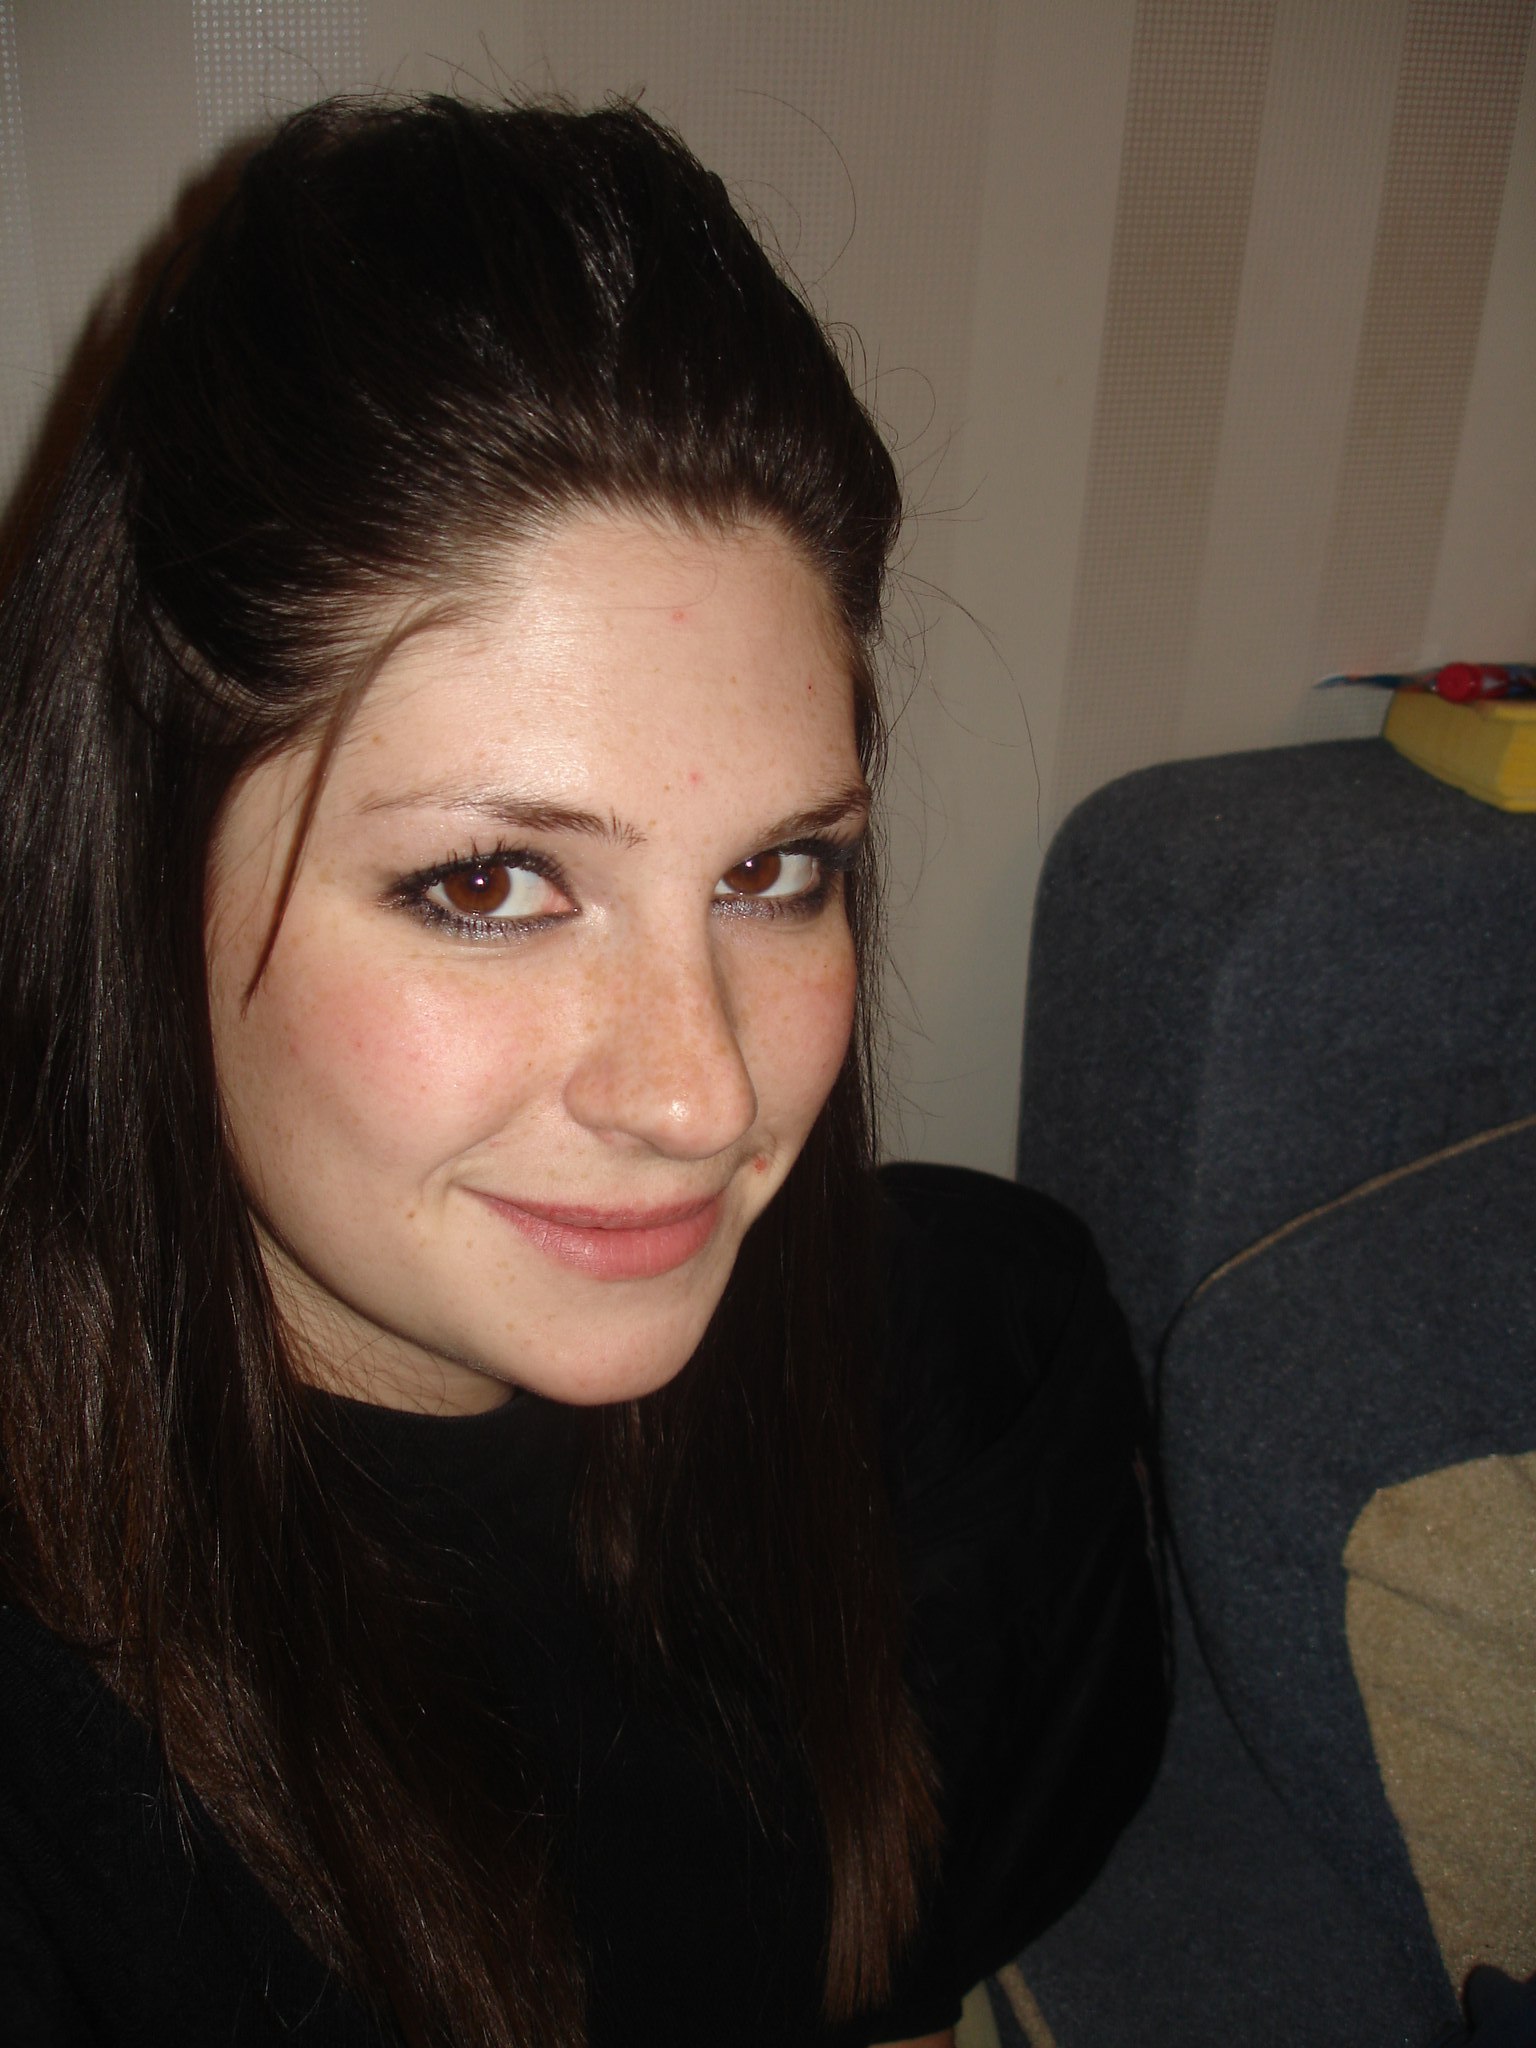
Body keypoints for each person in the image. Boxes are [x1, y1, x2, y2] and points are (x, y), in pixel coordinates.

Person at [0, 96, 1165, 2048]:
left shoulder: (955, 1423)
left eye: (775, 874)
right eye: (489, 882)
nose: (703, 1097)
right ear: (133, 876)